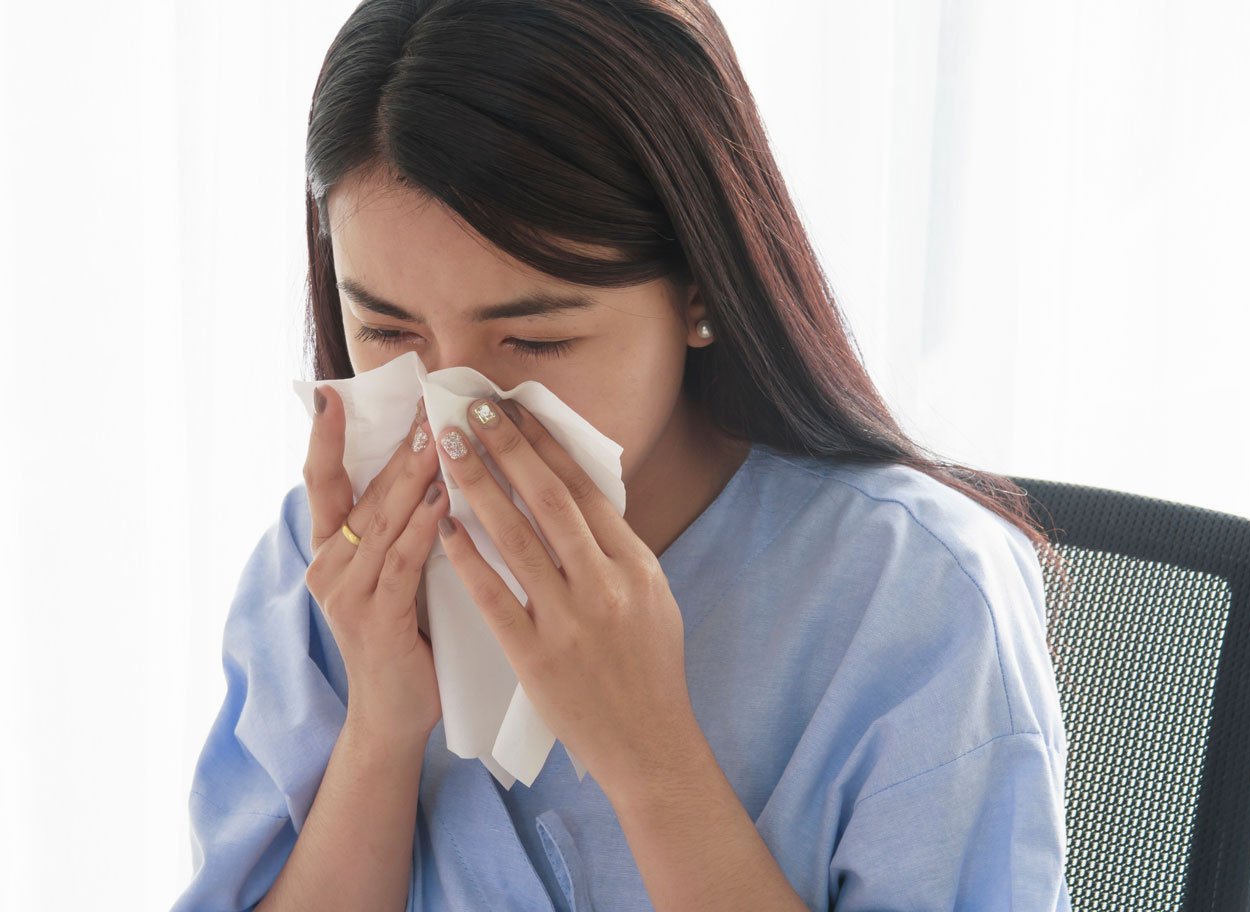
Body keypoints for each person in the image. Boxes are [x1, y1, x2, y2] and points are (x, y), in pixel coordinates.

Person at [172, 0, 1072, 909]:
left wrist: (653, 763)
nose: (453, 409)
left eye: (534, 339)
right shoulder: (330, 563)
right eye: (386, 329)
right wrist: (381, 727)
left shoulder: (916, 597)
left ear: (697, 291)